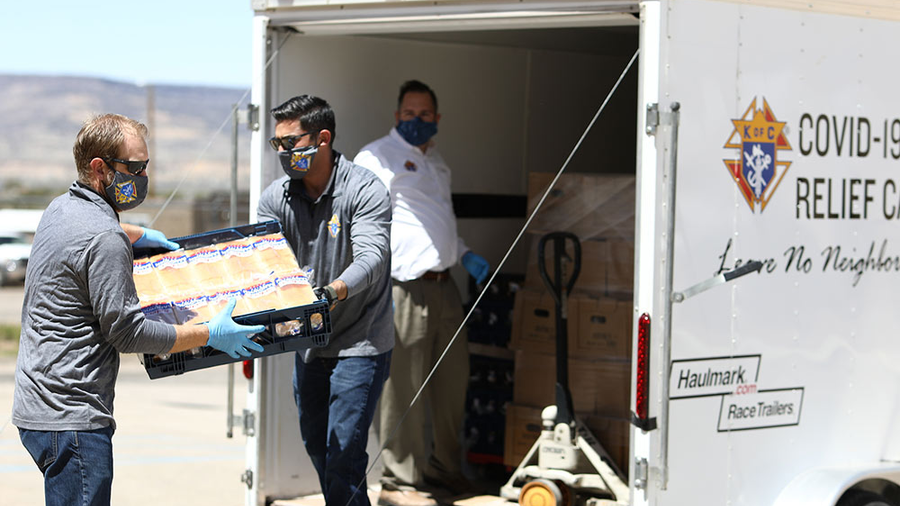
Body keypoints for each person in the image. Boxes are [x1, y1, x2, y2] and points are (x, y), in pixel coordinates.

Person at [12, 113, 266, 506]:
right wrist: (209, 333)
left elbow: (95, 235)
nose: (143, 176)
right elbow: (129, 332)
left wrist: (139, 235)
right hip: (74, 419)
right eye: (135, 168)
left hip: (37, 407)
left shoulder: (60, 209)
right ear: (100, 167)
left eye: (146, 166)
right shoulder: (104, 238)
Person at [354, 80, 491, 506]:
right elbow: (365, 221)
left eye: (425, 114)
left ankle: (445, 469)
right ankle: (401, 480)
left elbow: (437, 223)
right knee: (402, 387)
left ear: (437, 119)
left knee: (453, 383)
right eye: (409, 114)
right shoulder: (377, 157)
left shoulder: (438, 164)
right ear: (397, 117)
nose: (417, 121)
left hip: (445, 286)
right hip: (403, 288)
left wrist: (464, 254)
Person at [257, 95, 394, 506]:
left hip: (360, 341)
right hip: (308, 345)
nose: (284, 153)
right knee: (318, 447)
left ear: (323, 138)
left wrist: (332, 292)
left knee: (344, 457)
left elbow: (372, 256)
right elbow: (261, 263)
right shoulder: (274, 199)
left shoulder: (364, 189)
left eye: (291, 143)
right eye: (276, 145)